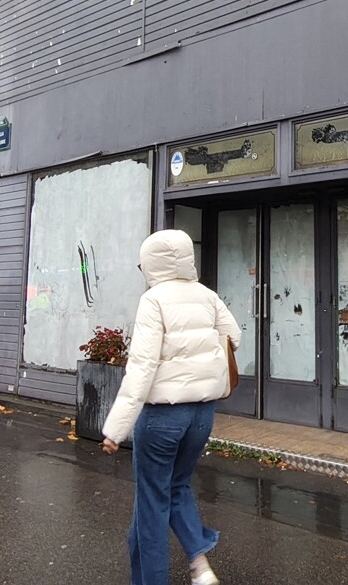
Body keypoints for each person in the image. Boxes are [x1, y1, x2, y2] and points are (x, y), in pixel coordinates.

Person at [101, 230, 240, 585]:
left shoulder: (154, 300)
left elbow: (142, 367)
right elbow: (234, 336)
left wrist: (115, 429)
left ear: (152, 263)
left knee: (151, 504)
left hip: (163, 416)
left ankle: (190, 560)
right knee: (172, 488)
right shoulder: (207, 295)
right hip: (202, 415)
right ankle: (197, 562)